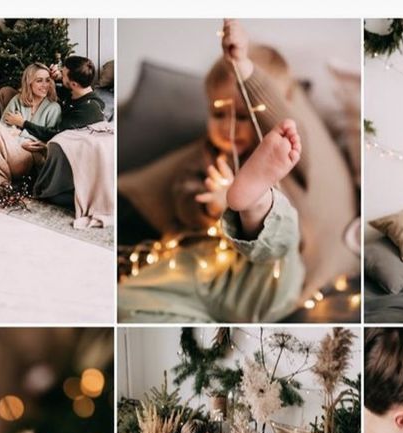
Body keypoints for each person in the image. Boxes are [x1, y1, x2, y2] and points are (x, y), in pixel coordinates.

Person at [119, 18, 348, 324]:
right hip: (202, 273)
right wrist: (210, 206)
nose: (228, 127)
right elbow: (183, 198)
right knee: (125, 304)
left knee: (281, 233)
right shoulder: (204, 156)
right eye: (218, 113)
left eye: (241, 116)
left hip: (262, 278)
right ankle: (196, 324)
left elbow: (275, 114)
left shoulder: (286, 151)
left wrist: (244, 68)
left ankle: (254, 200)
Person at [0, 63, 62, 193]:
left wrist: (19, 130)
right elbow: (2, 130)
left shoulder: (54, 108)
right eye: (39, 81)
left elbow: (48, 138)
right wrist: (24, 139)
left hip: (26, 159)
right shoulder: (17, 100)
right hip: (7, 149)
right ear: (29, 82)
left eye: (48, 80)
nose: (45, 85)